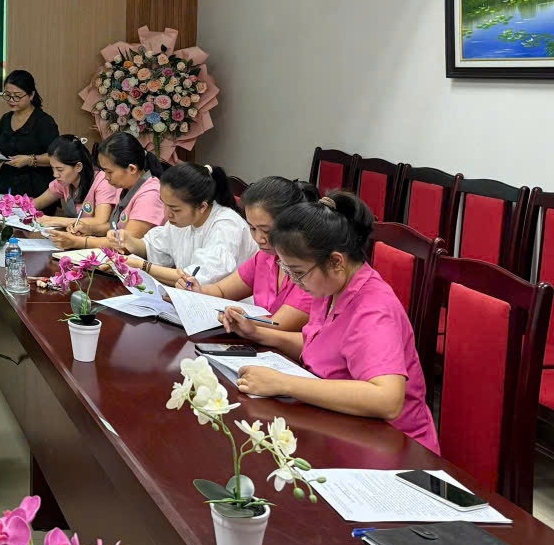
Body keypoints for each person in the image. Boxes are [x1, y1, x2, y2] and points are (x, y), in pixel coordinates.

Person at [222, 193, 440, 453]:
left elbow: (387, 399)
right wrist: (258, 333)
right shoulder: (331, 287)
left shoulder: (373, 309)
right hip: (341, 425)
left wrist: (283, 383)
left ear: (336, 261)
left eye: (298, 273)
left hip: (389, 444)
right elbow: (322, 346)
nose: (296, 282)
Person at [175, 176, 316, 333]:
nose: (259, 239)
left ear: (291, 224)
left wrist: (241, 318)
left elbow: (278, 325)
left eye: (266, 230)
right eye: (253, 228)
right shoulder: (265, 257)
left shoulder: (309, 268)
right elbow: (221, 291)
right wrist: (198, 292)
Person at [110, 163, 255, 287]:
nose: (167, 214)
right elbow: (155, 247)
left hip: (232, 306)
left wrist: (143, 266)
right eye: (165, 204)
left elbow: (196, 278)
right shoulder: (182, 220)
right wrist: (129, 241)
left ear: (202, 207)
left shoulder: (226, 226)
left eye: (175, 209)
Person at [49, 132, 166, 252]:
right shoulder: (124, 187)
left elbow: (125, 243)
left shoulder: (150, 195)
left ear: (131, 169)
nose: (106, 177)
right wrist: (89, 229)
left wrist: (77, 242)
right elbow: (115, 227)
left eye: (109, 172)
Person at [0, 70, 59, 199]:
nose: (11, 100)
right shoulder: (5, 119)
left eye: (17, 96)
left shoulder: (44, 121)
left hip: (36, 186)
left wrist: (29, 160)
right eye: (8, 95)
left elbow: (56, 157)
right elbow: (1, 150)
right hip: (6, 183)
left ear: (31, 95)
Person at [34, 135, 116, 230]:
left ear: (78, 167)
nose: (55, 174)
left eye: (60, 169)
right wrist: (19, 206)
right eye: (53, 168)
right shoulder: (63, 182)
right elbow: (37, 203)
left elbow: (100, 221)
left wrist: (55, 220)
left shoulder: (102, 182)